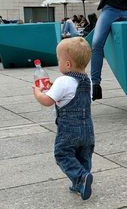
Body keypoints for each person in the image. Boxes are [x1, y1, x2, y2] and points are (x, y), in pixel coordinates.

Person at [32, 37, 94, 200]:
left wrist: (38, 93)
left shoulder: (62, 81)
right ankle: (81, 181)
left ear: (67, 64)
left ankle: (80, 177)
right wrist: (56, 89)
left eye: (59, 59)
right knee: (84, 155)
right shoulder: (87, 81)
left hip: (69, 131)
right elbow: (73, 96)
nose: (57, 62)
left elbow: (47, 101)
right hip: (88, 129)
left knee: (62, 154)